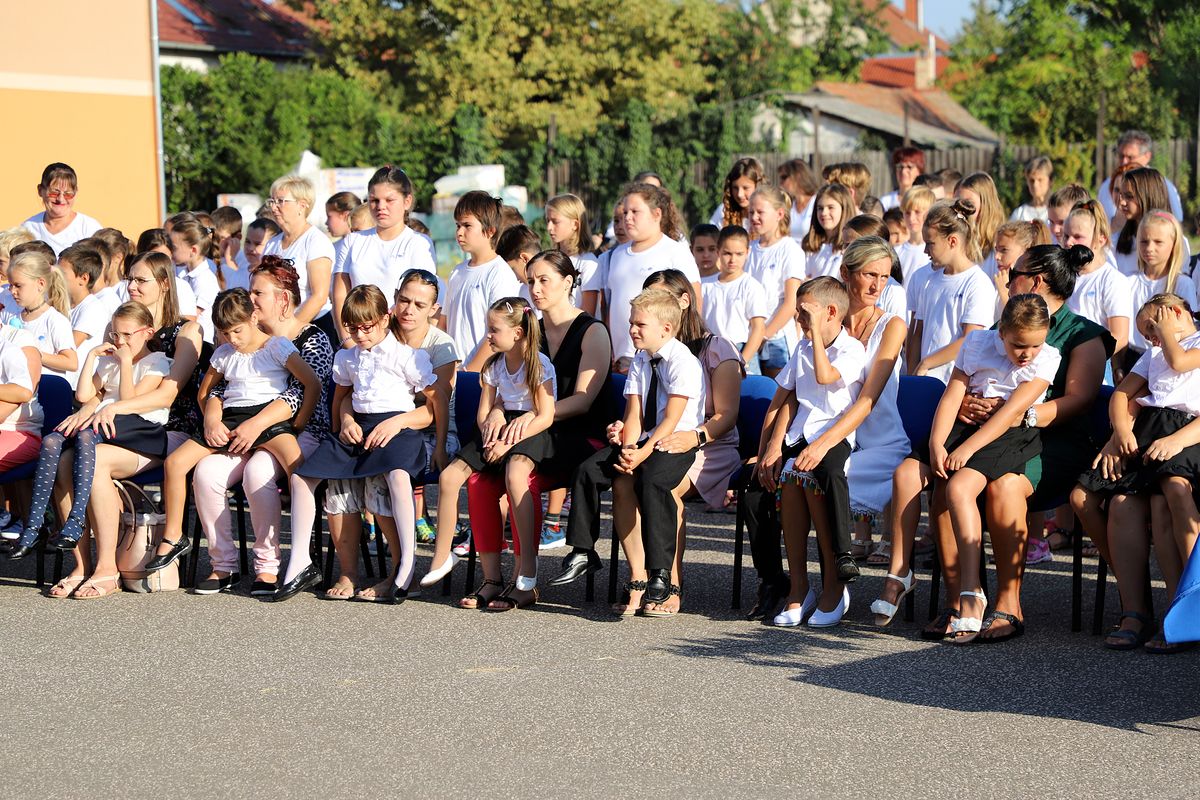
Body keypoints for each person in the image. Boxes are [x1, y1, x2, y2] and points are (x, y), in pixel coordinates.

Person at [951, 244, 1110, 640]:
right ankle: (960, 601)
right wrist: (967, 403)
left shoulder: (1084, 334)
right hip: (995, 436)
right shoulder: (1007, 324)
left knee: (1004, 484)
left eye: (1013, 274)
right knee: (944, 475)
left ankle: (1009, 603)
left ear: (1035, 281)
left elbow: (1079, 400)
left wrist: (1019, 413)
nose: (1007, 281)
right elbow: (971, 376)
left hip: (1056, 442)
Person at [34, 252, 208, 598]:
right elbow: (101, 388)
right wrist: (89, 409)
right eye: (129, 279)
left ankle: (107, 568)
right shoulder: (119, 322)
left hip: (166, 431)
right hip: (117, 428)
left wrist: (108, 409)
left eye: (141, 280)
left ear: (164, 284)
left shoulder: (187, 330)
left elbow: (166, 396)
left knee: (96, 461)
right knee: (65, 462)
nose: (131, 286)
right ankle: (80, 565)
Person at [144, 289, 320, 574]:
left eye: (237, 331)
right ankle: (174, 535)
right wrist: (211, 422)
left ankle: (303, 549)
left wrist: (298, 424)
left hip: (268, 420)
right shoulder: (224, 353)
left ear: (253, 318)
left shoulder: (277, 346)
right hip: (231, 419)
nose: (232, 339)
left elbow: (311, 383)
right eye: (225, 333)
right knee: (175, 463)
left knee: (298, 471)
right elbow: (205, 391)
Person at [474, 252, 613, 601]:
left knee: (520, 474)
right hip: (536, 429)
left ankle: (524, 579)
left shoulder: (592, 331)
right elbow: (506, 385)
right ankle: (491, 579)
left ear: (567, 282)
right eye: (530, 281)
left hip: (578, 435)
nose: (535, 288)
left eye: (543, 280)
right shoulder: (527, 327)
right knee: (478, 482)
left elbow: (583, 400)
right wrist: (496, 410)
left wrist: (533, 416)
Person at [285, 285, 438, 603]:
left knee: (392, 479)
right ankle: (319, 566)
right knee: (311, 479)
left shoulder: (407, 356)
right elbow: (343, 399)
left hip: (398, 429)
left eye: (366, 327)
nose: (359, 334)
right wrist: (346, 421)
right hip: (357, 429)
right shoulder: (348, 356)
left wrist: (398, 423)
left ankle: (403, 569)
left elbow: (431, 409)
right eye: (352, 328)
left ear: (385, 318)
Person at [192, 257, 333, 598]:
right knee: (206, 473)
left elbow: (300, 392)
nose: (250, 298)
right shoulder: (243, 336)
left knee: (258, 473)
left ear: (283, 299)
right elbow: (222, 387)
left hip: (300, 430)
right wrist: (213, 417)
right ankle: (223, 564)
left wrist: (256, 425)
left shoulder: (311, 338)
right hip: (242, 428)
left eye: (258, 293)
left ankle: (268, 566)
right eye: (250, 291)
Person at [925, 295, 1062, 643]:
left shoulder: (1048, 358)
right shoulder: (977, 343)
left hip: (1009, 434)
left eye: (1035, 344)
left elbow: (1010, 413)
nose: (1027, 353)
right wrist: (937, 443)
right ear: (1001, 332)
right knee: (939, 484)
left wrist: (967, 448)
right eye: (1018, 345)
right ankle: (956, 594)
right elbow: (952, 394)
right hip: (968, 428)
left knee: (959, 488)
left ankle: (973, 591)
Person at [1073, 293, 1200, 651]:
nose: (1151, 339)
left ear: (1175, 312)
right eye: (1146, 335)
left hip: (1187, 433)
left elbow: (1179, 362)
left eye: (1152, 328)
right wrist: (1119, 434)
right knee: (1087, 497)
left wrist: (1167, 333)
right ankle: (1136, 606)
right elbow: (1121, 395)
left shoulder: (1190, 346)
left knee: (1168, 495)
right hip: (1146, 433)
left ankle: (1186, 602)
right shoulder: (1155, 353)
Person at [563, 288, 702, 615]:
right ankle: (583, 549)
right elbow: (635, 415)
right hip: (646, 439)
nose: (632, 330)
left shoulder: (683, 361)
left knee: (652, 482)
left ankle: (660, 573)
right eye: (630, 323)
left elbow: (671, 420)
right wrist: (627, 448)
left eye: (640, 324)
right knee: (589, 470)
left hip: (673, 441)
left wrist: (641, 455)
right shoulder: (641, 358)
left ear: (665, 328)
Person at [421, 298, 556, 611]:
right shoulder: (494, 365)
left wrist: (507, 443)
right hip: (499, 428)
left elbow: (546, 415)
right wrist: (491, 428)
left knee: (515, 474)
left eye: (494, 330)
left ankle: (527, 566)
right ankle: (441, 556)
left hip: (530, 429)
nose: (488, 336)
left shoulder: (539, 365)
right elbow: (484, 412)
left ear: (518, 333)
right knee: (449, 477)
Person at [9, 302, 169, 563]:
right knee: (51, 441)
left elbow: (128, 401)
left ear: (148, 332)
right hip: (102, 421)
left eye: (127, 335)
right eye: (115, 334)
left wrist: (125, 363)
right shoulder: (109, 361)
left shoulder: (157, 362)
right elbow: (84, 395)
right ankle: (34, 526)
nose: (120, 341)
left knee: (85, 436)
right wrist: (92, 356)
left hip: (137, 427)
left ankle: (76, 520)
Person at [637, 269, 743, 616]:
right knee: (630, 478)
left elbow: (726, 415)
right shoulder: (649, 350)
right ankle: (640, 580)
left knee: (663, 486)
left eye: (661, 297)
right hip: (662, 437)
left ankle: (670, 583)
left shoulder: (716, 348)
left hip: (710, 444)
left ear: (684, 302)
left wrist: (694, 436)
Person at [763, 277, 867, 628]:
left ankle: (836, 581)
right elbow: (788, 398)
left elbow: (825, 377)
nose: (799, 321)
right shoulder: (802, 348)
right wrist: (770, 447)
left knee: (816, 476)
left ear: (831, 312)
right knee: (789, 478)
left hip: (834, 437)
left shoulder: (851, 349)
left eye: (805, 314)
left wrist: (817, 338)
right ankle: (798, 587)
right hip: (801, 434)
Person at [333, 167, 437, 351]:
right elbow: (340, 295)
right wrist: (349, 341)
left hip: (401, 344)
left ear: (407, 201)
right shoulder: (352, 241)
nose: (381, 206)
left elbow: (421, 298)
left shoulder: (418, 243)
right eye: (374, 200)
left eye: (389, 200)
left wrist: (394, 346)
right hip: (357, 344)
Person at [605, 183, 700, 372]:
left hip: (661, 357)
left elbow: (694, 303)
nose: (627, 218)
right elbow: (612, 305)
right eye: (625, 212)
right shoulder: (616, 254)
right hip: (621, 359)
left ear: (656, 214)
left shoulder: (675, 251)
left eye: (635, 212)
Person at [907, 199, 998, 383]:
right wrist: (912, 376)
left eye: (930, 243)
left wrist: (927, 363)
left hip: (956, 385)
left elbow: (970, 340)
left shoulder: (977, 283)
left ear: (952, 241)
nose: (925, 251)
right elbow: (917, 334)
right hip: (925, 383)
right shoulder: (929, 280)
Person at [447, 192, 522, 371]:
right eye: (457, 225)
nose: (459, 232)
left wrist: (469, 372)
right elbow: (444, 323)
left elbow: (501, 331)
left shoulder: (500, 273)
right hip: (453, 374)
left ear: (490, 231)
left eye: (467, 225)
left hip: (485, 376)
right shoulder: (457, 272)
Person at [261, 175, 336, 342]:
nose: (273, 207)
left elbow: (319, 296)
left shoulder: (315, 241)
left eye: (281, 201)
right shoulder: (272, 244)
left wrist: (288, 333)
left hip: (310, 329)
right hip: (276, 331)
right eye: (272, 201)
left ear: (302, 205)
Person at [1063, 200, 1130, 380]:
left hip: (1095, 367)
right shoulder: (1062, 275)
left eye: (1077, 237)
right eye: (1066, 235)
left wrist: (1084, 358)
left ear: (1101, 239)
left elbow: (1120, 336)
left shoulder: (1112, 280)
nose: (1068, 242)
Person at [745, 185, 806, 378]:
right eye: (751, 212)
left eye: (760, 212)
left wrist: (763, 335)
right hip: (750, 337)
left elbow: (791, 303)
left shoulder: (789, 250)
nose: (754, 217)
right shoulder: (748, 249)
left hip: (777, 340)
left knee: (776, 392)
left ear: (779, 214)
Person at [1125, 211, 1196, 366]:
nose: (1149, 248)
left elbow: (1190, 327)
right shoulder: (1128, 282)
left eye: (1158, 242)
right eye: (1144, 241)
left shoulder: (1183, 283)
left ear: (1173, 244)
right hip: (1133, 356)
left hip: (1171, 355)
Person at [0, 249, 77, 379]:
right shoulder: (11, 315)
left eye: (18, 285)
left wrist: (34, 354)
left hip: (45, 385)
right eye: (11, 285)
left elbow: (71, 362)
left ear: (40, 284)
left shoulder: (54, 320)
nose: (12, 291)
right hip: (15, 384)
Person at [701, 226, 768, 373]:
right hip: (711, 351)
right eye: (727, 253)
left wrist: (742, 361)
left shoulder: (751, 286)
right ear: (718, 252)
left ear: (747, 252)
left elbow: (758, 328)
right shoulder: (705, 285)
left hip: (742, 351)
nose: (733, 260)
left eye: (739, 254)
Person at [1097, 130, 1184, 221]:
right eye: (1121, 156)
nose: (1124, 162)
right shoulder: (1107, 185)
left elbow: (1177, 219)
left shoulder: (1162, 184)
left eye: (1130, 157)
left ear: (1147, 156)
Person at [58, 242, 110, 388]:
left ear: (84, 278)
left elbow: (67, 346)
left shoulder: (93, 308)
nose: (55, 278)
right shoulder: (61, 304)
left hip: (76, 387)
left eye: (62, 274)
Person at [22, 163, 102, 256]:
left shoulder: (89, 229)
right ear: (40, 190)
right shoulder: (28, 229)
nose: (60, 199)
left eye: (68, 194)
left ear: (75, 193)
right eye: (54, 193)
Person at [1112, 168, 1174, 277]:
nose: (1122, 202)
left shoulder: (1176, 241)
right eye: (1122, 195)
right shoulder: (1115, 242)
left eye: (1129, 196)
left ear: (1149, 196)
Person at [169, 218, 221, 342]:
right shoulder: (182, 273)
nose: (170, 251)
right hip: (184, 338)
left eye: (174, 247)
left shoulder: (206, 280)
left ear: (193, 250)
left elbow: (191, 316)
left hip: (200, 343)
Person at [989, 220, 1051, 310]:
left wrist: (1004, 293)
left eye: (1004, 250)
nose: (997, 256)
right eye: (996, 250)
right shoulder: (998, 280)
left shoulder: (1033, 287)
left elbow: (1022, 317)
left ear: (1026, 251)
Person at [545, 193, 599, 297]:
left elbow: (588, 306)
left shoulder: (587, 262)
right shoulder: (549, 260)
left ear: (575, 224)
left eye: (555, 222)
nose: (549, 227)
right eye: (548, 220)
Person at [955, 172, 1005, 273]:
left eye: (969, 203)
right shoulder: (959, 240)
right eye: (959, 203)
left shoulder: (1001, 243)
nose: (962, 209)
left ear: (986, 205)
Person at [802, 183, 853, 279]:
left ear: (844, 210)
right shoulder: (810, 245)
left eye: (830, 207)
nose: (824, 213)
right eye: (820, 208)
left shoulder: (849, 247)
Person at [709, 157, 765, 229]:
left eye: (745, 188)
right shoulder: (723, 212)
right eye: (735, 188)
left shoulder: (769, 214)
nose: (739, 194)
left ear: (758, 186)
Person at [897, 185, 935, 284]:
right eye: (907, 213)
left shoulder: (935, 252)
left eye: (917, 212)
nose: (911, 218)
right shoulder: (897, 251)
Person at [778, 159, 819, 241]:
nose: (780, 183)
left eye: (784, 177)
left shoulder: (816, 202)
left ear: (798, 176)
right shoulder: (788, 204)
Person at [880, 146, 925, 212]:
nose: (903, 171)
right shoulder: (885, 202)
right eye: (900, 167)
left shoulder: (925, 201)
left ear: (919, 170)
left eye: (909, 167)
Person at [1010, 156, 1053, 223]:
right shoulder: (1019, 214)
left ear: (1050, 181)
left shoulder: (1057, 212)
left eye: (1040, 180)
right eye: (1031, 180)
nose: (1035, 185)